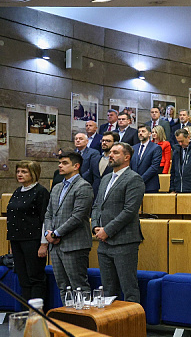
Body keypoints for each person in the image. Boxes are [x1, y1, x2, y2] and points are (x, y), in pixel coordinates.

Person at [91, 142, 146, 303]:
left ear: (126, 157)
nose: (110, 155)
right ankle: (110, 324)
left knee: (128, 288)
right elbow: (97, 205)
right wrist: (95, 226)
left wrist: (107, 230)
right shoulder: (106, 178)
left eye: (115, 152)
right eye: (110, 152)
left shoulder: (134, 179)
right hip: (104, 242)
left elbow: (129, 211)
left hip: (124, 241)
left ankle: (132, 326)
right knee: (108, 289)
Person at [42, 152, 93, 303]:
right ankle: (68, 320)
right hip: (55, 245)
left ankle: (83, 322)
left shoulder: (84, 186)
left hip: (74, 245)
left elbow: (77, 217)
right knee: (63, 287)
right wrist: (48, 233)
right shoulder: (57, 187)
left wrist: (56, 233)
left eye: (64, 163)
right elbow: (49, 213)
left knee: (79, 287)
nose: (60, 165)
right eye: (60, 163)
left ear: (76, 166)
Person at [6, 160, 49, 301]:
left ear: (34, 173)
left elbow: (45, 218)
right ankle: (27, 313)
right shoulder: (18, 191)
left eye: (24, 172)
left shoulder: (40, 192)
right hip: (17, 240)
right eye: (18, 171)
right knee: (23, 278)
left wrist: (43, 244)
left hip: (33, 240)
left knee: (35, 277)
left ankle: (37, 314)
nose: (20, 174)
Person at [131, 125, 163, 193]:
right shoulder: (134, 148)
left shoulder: (155, 148)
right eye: (139, 132)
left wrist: (141, 179)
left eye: (143, 131)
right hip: (134, 185)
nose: (140, 133)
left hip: (150, 185)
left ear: (149, 134)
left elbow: (154, 167)